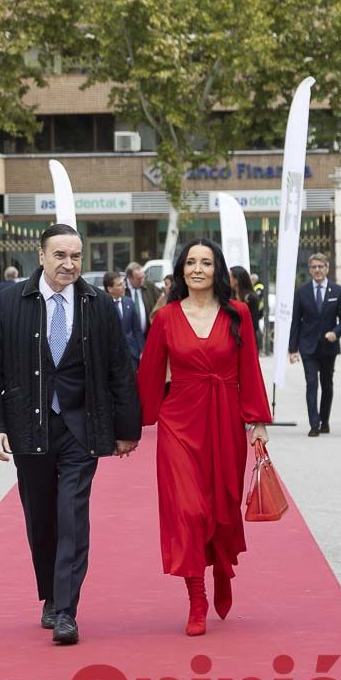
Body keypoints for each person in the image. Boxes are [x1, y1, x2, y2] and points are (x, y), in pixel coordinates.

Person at [0, 223, 141, 646]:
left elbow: (119, 369)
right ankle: (50, 594)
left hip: (79, 428)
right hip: (28, 426)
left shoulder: (98, 304)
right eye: (60, 256)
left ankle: (67, 610)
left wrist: (127, 429)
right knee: (41, 519)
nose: (69, 264)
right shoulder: (8, 302)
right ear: (42, 255)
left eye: (76, 257)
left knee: (72, 515)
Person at [137, 238, 272, 636]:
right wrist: (131, 428)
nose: (197, 269)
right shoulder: (165, 317)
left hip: (225, 420)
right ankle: (196, 596)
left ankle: (223, 568)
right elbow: (148, 373)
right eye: (191, 262)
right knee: (188, 510)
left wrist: (257, 421)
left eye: (206, 262)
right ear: (180, 270)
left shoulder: (239, 314)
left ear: (218, 270)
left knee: (220, 508)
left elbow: (249, 368)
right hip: (179, 420)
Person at [288, 253, 341, 436]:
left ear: (327, 268)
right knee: (311, 383)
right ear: (310, 269)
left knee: (327, 384)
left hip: (328, 347)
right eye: (314, 267)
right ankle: (314, 423)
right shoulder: (302, 292)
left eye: (321, 266)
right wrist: (292, 349)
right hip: (308, 346)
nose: (317, 270)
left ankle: (325, 420)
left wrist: (336, 333)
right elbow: (296, 321)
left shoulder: (337, 291)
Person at [103, 271, 144, 364]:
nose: (124, 286)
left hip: (131, 354)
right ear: (110, 289)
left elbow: (137, 329)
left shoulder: (129, 302)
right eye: (119, 284)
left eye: (124, 283)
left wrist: (142, 350)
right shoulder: (103, 306)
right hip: (112, 357)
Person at [230, 266, 262, 351]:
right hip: (230, 340)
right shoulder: (229, 297)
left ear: (236, 280)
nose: (228, 279)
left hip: (248, 340)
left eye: (230, 276)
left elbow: (254, 323)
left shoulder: (252, 298)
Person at [125, 261, 161, 336]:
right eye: (139, 278)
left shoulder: (149, 286)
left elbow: (161, 302)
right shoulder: (122, 289)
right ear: (130, 278)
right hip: (129, 338)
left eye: (143, 276)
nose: (142, 280)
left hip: (148, 334)